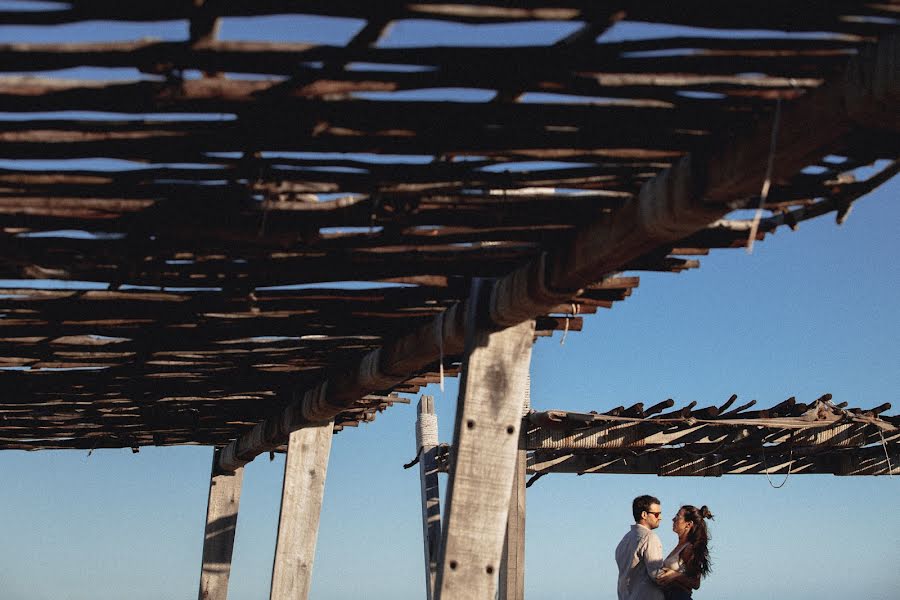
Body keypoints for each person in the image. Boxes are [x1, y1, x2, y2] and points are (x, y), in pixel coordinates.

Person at [656, 505, 714, 599]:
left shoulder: (689, 548)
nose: (673, 519)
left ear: (688, 524)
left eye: (678, 516)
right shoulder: (679, 547)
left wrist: (674, 575)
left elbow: (696, 583)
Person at [615, 494, 665, 600]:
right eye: (656, 514)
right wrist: (680, 575)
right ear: (644, 515)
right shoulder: (649, 537)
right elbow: (657, 575)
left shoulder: (625, 540)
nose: (660, 517)